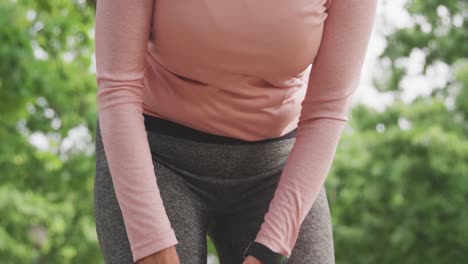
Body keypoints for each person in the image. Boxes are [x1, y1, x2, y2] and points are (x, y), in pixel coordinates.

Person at [93, 0, 377, 263]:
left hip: (277, 169)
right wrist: (150, 241)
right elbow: (119, 89)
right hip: (157, 157)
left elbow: (325, 111)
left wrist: (270, 248)